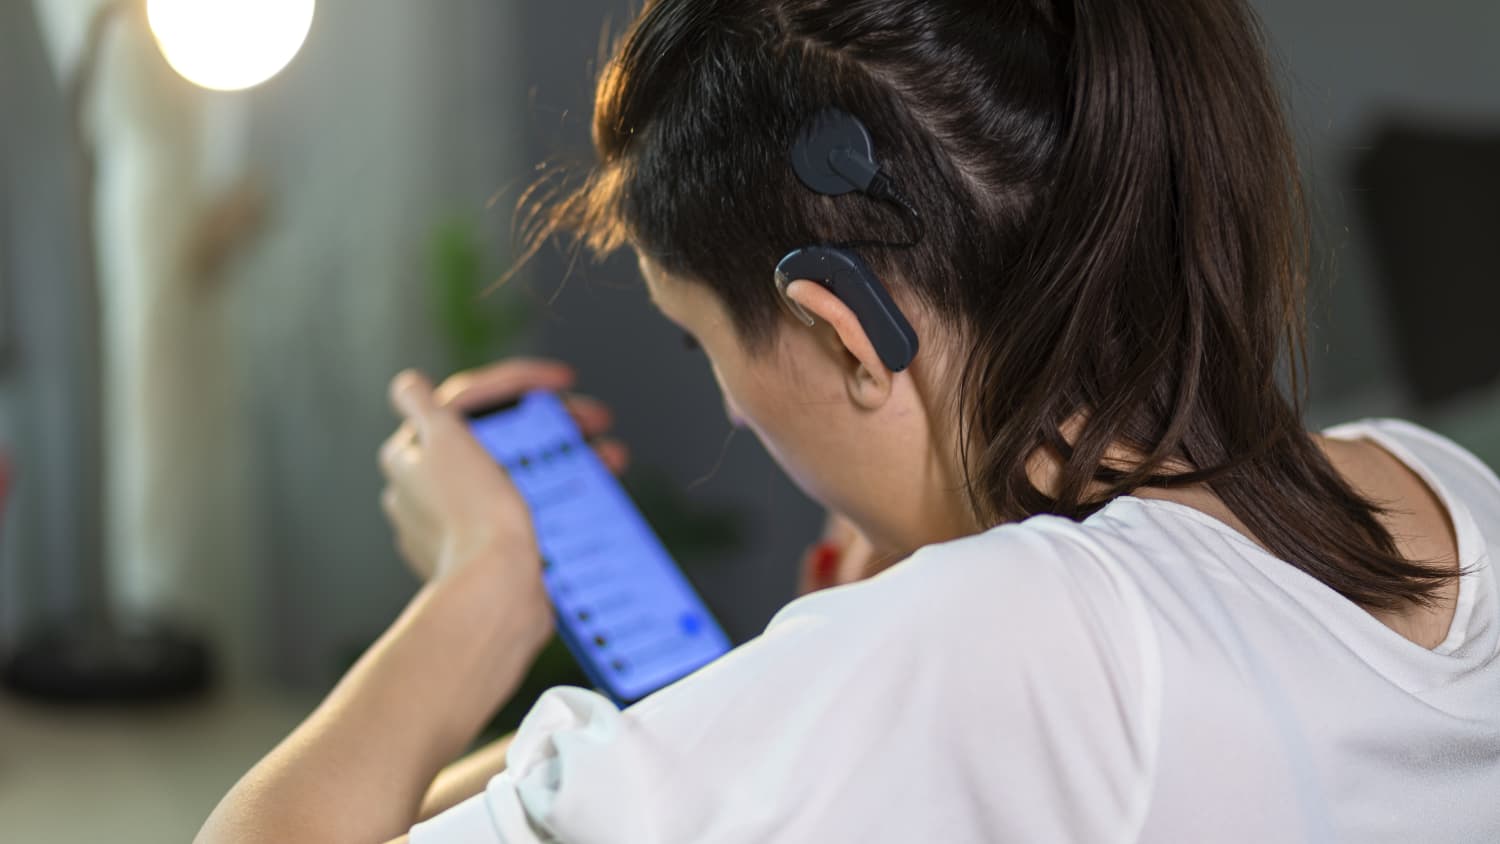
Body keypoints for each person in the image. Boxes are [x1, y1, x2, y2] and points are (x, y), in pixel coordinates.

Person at [197, 0, 1500, 841]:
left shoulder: (1007, 641)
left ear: (842, 328)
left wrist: (483, 593)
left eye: (699, 341)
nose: (728, 404)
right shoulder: (1439, 491)